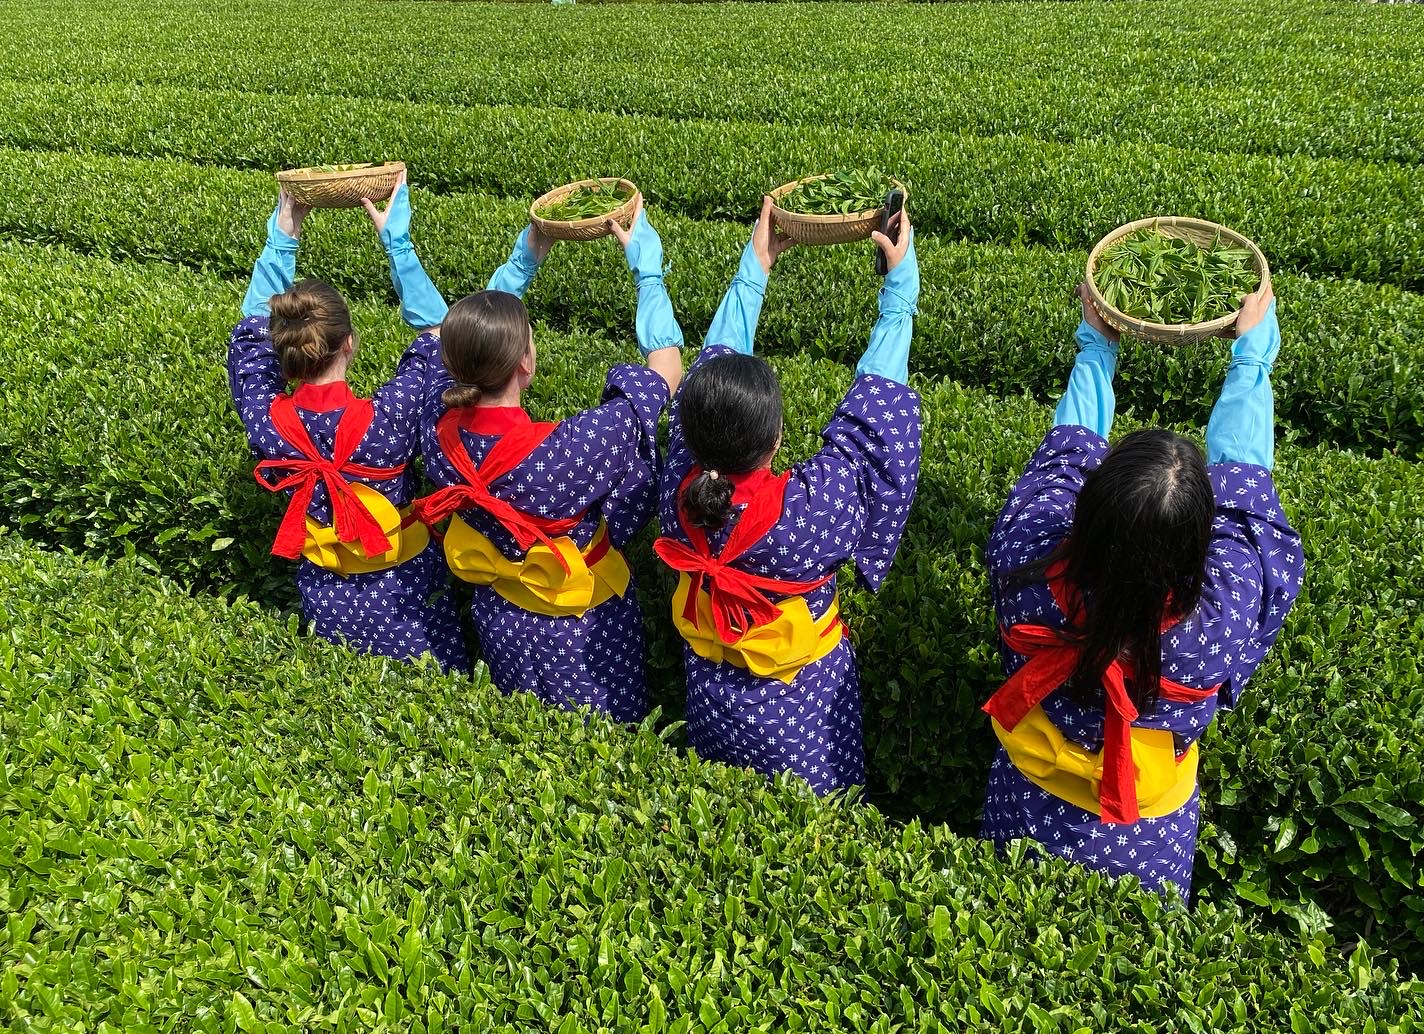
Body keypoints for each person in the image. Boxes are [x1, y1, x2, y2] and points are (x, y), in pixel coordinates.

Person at [979, 280, 1304, 899]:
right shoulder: (1220, 615)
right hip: (1144, 829)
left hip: (1029, 794)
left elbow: (1064, 457)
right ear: (1198, 547)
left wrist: (1097, 347)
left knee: (1005, 913)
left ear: (1085, 513)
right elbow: (1248, 495)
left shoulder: (1027, 556)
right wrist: (1251, 359)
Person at [653, 197, 922, 796]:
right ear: (777, 439)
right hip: (802, 705)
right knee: (816, 822)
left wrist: (756, 266)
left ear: (689, 431)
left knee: (724, 803)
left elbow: (713, 366)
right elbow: (873, 421)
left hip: (711, 689)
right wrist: (899, 292)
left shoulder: (681, 484)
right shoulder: (809, 510)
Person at [416, 199, 683, 725]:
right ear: (525, 362)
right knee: (608, 744)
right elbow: (665, 368)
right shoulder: (568, 447)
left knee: (525, 737)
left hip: (499, 616)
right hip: (582, 626)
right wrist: (646, 271)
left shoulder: (436, 426)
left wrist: (525, 258)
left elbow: (456, 339)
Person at [228, 174, 466, 671]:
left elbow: (250, 342)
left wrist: (284, 235)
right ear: (350, 344)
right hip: (405, 591)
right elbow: (441, 337)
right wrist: (396, 242)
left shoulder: (268, 422)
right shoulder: (388, 417)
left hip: (325, 591)